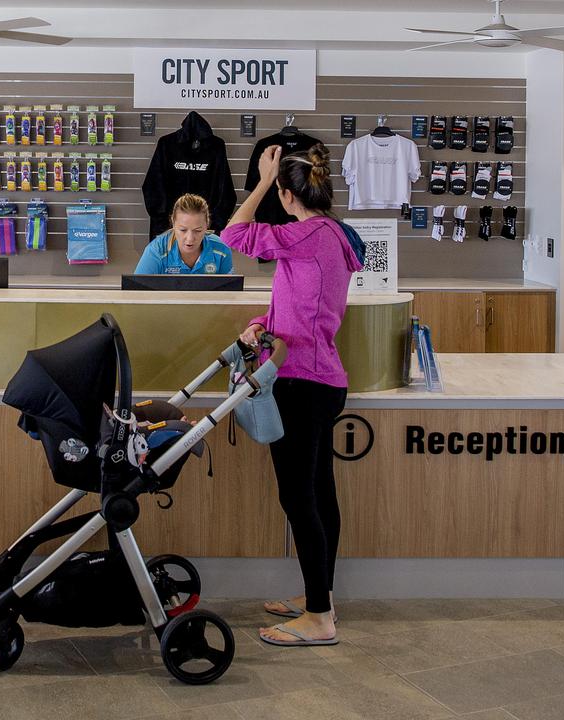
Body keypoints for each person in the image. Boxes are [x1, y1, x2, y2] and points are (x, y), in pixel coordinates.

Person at [220, 144, 363, 647]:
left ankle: (320, 618)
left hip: (302, 383)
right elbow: (306, 302)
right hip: (320, 378)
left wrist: (260, 180)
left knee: (299, 497)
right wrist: (264, 324)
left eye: (277, 189)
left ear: (286, 193)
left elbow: (232, 233)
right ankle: (319, 596)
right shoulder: (333, 236)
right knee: (320, 493)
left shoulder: (305, 234)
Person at [134, 194, 234, 275]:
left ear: (207, 225)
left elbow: (229, 293)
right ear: (173, 223)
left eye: (197, 230)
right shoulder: (156, 251)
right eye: (183, 230)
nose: (190, 239)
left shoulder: (222, 250)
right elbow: (137, 293)